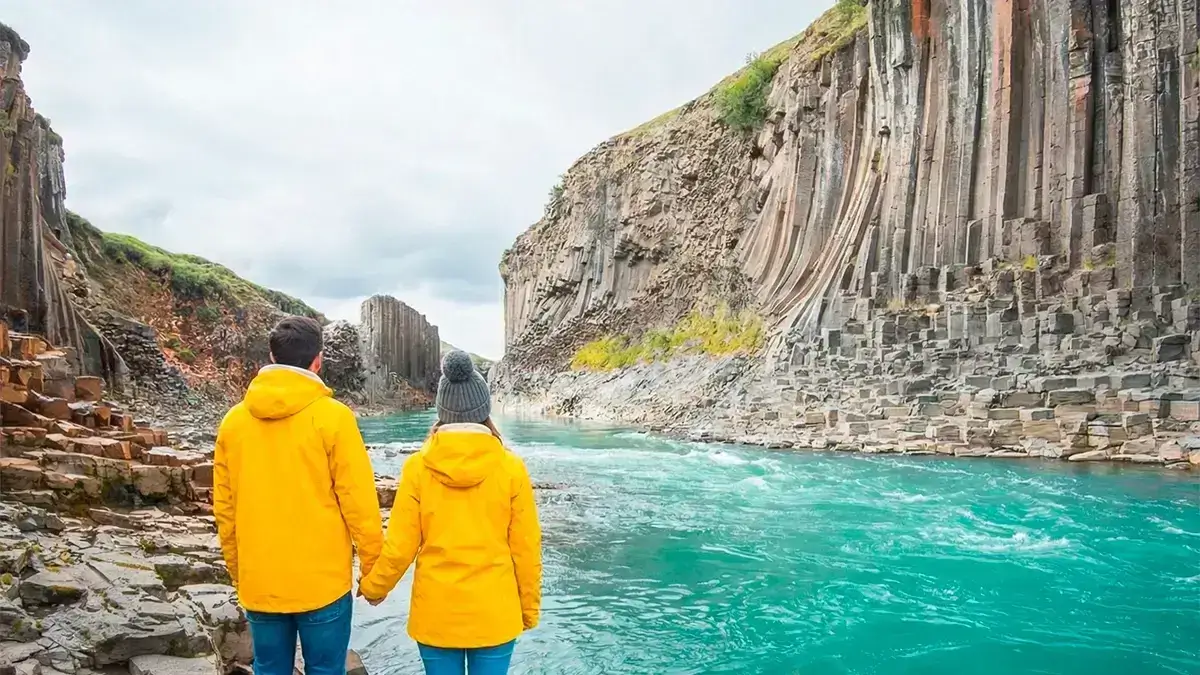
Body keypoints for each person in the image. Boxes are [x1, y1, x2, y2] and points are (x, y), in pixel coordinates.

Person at [213, 316, 383, 675]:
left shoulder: (233, 423)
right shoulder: (334, 418)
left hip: (260, 579)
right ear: (317, 360)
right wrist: (373, 571)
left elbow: (225, 510)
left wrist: (238, 571)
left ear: (272, 357)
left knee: (270, 668)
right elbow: (359, 503)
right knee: (326, 669)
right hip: (322, 583)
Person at [358, 350, 542, 675]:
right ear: (484, 409)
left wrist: (375, 588)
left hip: (436, 613)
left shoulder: (418, 467)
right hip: (495, 612)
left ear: (442, 410)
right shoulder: (511, 468)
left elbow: (400, 546)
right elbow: (526, 550)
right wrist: (528, 609)